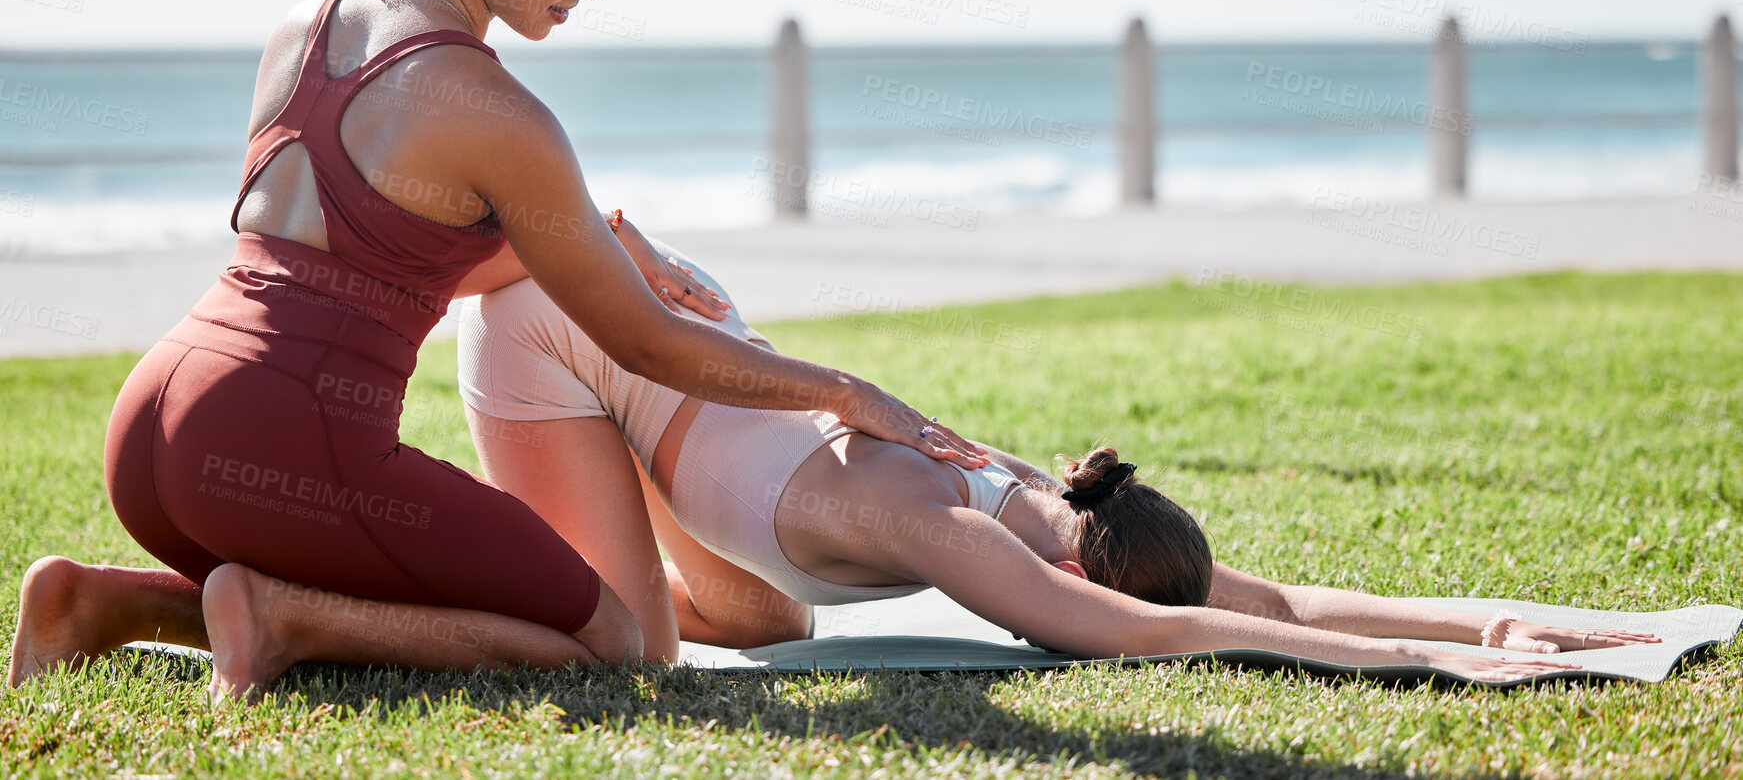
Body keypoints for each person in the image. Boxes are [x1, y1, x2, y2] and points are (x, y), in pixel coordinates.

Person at [6, 0, 981, 702]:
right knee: (614, 644)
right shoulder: (500, 114)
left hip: (155, 418)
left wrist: (608, 244)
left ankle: (110, 600)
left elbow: (370, 254)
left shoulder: (313, 21)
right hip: (282, 439)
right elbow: (644, 345)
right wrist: (844, 391)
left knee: (486, 583)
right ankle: (278, 617)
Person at [456, 253, 1663, 684]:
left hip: (695, 337)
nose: (1064, 620)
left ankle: (611, 494)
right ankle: (434, 585)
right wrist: (1424, 660)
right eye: (1079, 603)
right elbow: (1167, 636)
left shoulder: (1054, 493)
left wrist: (1499, 616)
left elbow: (1264, 601)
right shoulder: (959, 530)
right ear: (1091, 570)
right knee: (632, 649)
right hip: (557, 331)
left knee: (767, 625)